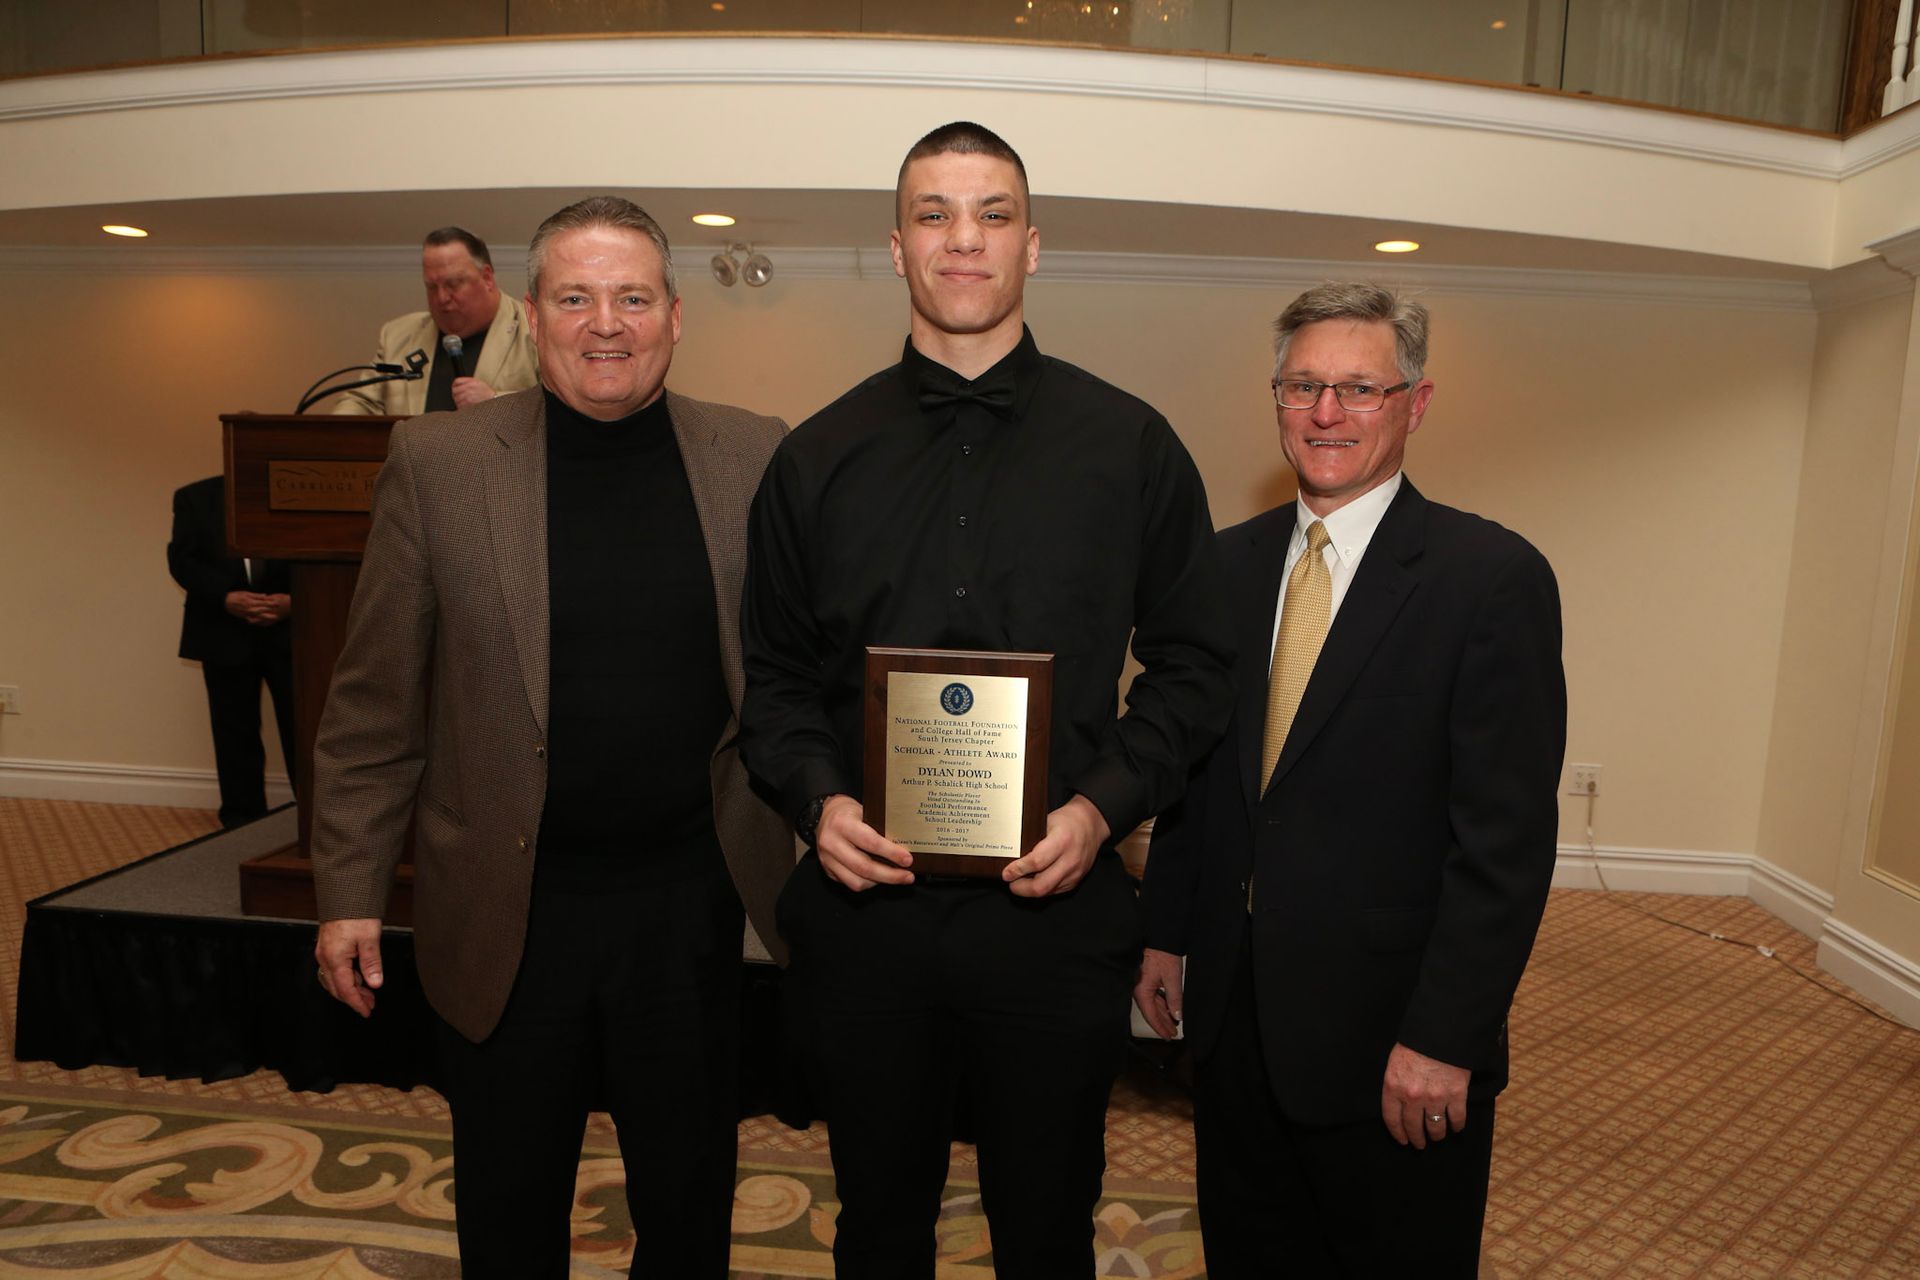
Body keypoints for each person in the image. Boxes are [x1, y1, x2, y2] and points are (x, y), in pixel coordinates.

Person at [739, 121, 1234, 1280]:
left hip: (1054, 914)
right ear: (896, 248)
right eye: (934, 214)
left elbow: (1197, 665)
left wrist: (1101, 809)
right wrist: (817, 805)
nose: (964, 239)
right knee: (878, 1225)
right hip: (869, 917)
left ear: (1034, 245)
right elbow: (770, 684)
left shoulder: (1134, 447)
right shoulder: (815, 459)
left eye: (993, 213)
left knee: (1050, 1223)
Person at [309, 196, 792, 1279]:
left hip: (689, 905)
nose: (605, 323)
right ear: (535, 314)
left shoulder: (753, 455)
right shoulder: (438, 463)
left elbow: (795, 675)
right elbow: (374, 705)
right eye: (576, 297)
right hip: (507, 911)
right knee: (509, 1205)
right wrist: (347, 888)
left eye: (631, 297)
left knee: (687, 1205)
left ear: (676, 315)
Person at [1134, 282, 1567, 1277]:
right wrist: (1166, 927)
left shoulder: (1490, 580)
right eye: (1304, 385)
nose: (1327, 413)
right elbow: (1203, 775)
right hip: (1236, 1018)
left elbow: (1503, 843)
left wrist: (1445, 1035)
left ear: (1415, 403)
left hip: (1394, 1043)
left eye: (1359, 388)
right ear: (1277, 399)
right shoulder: (1225, 566)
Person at [166, 474, 295, 828]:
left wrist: (295, 603)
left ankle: (315, 819)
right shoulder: (194, 496)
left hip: (292, 633)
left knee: (306, 732)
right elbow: (182, 560)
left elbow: (325, 554)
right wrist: (225, 596)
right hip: (222, 632)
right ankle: (242, 822)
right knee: (233, 733)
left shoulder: (298, 489)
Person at [330, 226, 538, 415]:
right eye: (431, 287)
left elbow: (559, 404)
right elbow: (362, 402)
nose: (441, 298)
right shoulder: (398, 336)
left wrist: (494, 399)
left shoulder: (535, 329)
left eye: (453, 284)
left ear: (487, 278)